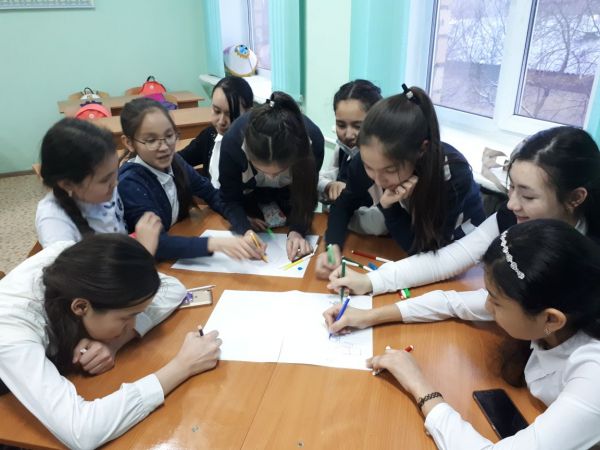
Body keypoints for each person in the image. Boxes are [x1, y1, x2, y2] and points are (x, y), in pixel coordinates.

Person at [324, 219, 600, 449]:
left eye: (495, 301)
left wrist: (419, 386)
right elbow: (450, 302)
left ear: (551, 319)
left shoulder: (593, 374)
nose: (486, 306)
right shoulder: (554, 306)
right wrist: (368, 316)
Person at [0, 234, 222, 450]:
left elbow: (173, 288)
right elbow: (82, 431)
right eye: (126, 318)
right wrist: (182, 367)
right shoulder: (12, 329)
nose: (132, 323)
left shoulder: (72, 259)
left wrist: (116, 341)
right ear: (81, 307)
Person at [328, 126, 600, 295]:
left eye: (527, 195)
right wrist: (371, 282)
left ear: (575, 198)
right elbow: (447, 260)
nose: (511, 204)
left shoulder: (589, 259)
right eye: (511, 188)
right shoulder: (509, 218)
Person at [316, 85, 485, 278]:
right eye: (369, 167)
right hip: (412, 245)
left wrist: (390, 208)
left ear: (421, 151)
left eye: (390, 170)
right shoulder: (366, 160)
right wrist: (332, 247)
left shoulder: (451, 175)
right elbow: (342, 206)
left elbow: (427, 254)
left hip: (463, 252)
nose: (378, 180)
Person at [118, 97, 263, 261]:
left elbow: (212, 194)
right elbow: (156, 244)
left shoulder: (175, 162)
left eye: (169, 135)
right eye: (151, 140)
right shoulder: (130, 183)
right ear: (129, 143)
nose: (164, 147)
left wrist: (241, 223)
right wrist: (216, 244)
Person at [218, 91, 325, 261]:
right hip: (251, 209)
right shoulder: (232, 144)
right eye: (263, 171)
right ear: (248, 154)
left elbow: (306, 196)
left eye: (279, 172)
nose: (271, 178)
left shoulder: (312, 143)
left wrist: (297, 230)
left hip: (291, 203)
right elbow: (229, 199)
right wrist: (245, 229)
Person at [35, 118, 162, 254]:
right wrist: (145, 251)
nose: (115, 183)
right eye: (105, 180)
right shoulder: (55, 223)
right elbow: (75, 269)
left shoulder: (104, 190)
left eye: (115, 172)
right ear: (68, 184)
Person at [319, 79, 388, 236]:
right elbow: (319, 180)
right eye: (341, 125)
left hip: (380, 241)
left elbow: (379, 224)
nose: (348, 135)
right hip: (349, 234)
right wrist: (329, 186)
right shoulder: (344, 148)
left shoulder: (386, 158)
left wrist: (336, 210)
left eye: (358, 126)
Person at [179, 75, 253, 186]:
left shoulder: (255, 145)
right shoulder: (210, 134)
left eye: (231, 115)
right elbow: (180, 160)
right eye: (217, 111)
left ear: (249, 113)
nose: (222, 121)